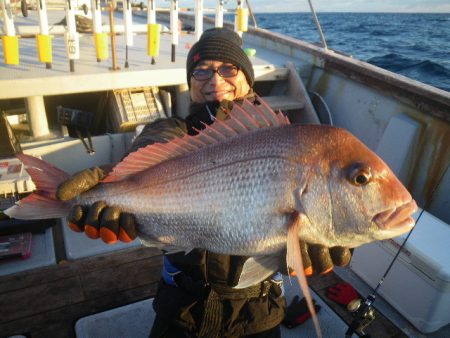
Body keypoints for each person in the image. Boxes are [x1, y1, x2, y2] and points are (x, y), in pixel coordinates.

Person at [57, 28, 352, 337]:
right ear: (191, 83)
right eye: (201, 71)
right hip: (182, 308)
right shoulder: (171, 130)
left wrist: (335, 225)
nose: (214, 80)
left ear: (247, 78)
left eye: (228, 68)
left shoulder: (281, 139)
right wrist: (110, 178)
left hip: (258, 311)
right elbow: (150, 152)